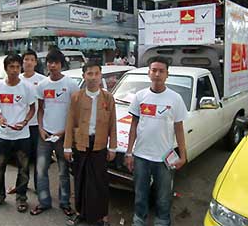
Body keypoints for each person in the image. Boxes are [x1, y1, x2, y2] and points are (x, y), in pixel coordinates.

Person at [124, 56, 188, 226]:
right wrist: (129, 152)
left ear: (167, 74)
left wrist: (183, 155)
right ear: (148, 73)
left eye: (161, 71)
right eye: (154, 70)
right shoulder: (140, 96)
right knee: (140, 195)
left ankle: (162, 222)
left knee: (163, 197)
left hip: (164, 159)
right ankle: (139, 221)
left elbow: (179, 128)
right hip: (141, 157)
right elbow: (133, 126)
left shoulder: (175, 99)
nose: (157, 74)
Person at [64, 62, 117, 226]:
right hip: (81, 143)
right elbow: (70, 121)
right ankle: (80, 213)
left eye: (96, 74)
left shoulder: (108, 98)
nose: (93, 77)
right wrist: (67, 146)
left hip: (99, 144)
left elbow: (113, 124)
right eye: (89, 74)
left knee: (100, 182)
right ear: (84, 76)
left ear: (101, 76)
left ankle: (101, 216)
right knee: (80, 179)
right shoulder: (77, 97)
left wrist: (113, 147)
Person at [0, 54, 36, 213]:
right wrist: (0, 118)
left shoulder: (27, 87)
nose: (14, 70)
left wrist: (25, 122)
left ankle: (21, 197)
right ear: (6, 68)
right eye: (11, 67)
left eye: (17, 67)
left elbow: (32, 108)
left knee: (24, 168)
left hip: (22, 136)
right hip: (3, 135)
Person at [30, 49, 79, 216]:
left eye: (56, 62)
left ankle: (65, 203)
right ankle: (44, 202)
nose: (52, 65)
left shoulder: (71, 85)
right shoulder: (43, 85)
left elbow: (75, 113)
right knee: (41, 169)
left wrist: (64, 132)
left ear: (61, 65)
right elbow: (41, 109)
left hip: (63, 136)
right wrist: (41, 128)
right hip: (45, 135)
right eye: (50, 62)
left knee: (63, 171)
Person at [6, 50, 46, 194]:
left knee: (36, 158)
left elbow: (43, 104)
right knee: (22, 158)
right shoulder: (17, 79)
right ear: (22, 63)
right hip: (21, 126)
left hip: (36, 126)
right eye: (26, 59)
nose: (28, 62)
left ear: (35, 62)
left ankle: (38, 187)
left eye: (31, 59)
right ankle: (21, 186)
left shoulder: (42, 80)